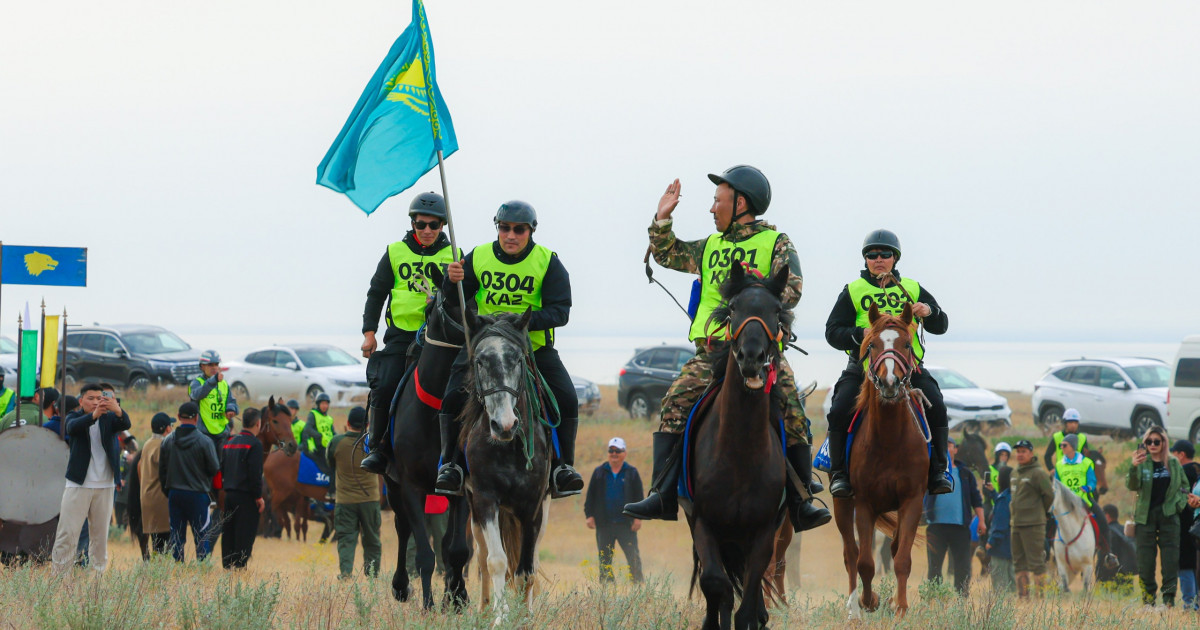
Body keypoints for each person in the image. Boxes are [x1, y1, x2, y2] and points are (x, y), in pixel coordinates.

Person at [623, 167, 829, 532]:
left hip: (761, 352)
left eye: (717, 200)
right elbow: (668, 255)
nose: (712, 208)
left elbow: (792, 289)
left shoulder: (776, 242)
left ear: (741, 203)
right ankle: (662, 493)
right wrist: (661, 219)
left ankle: (801, 499)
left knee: (793, 409)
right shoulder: (710, 245)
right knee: (674, 403)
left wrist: (751, 290)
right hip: (710, 352)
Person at [434, 200, 584, 499]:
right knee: (451, 395)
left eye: (519, 230)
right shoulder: (477, 256)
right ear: (498, 228)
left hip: (532, 350)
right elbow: (453, 299)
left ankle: (563, 467)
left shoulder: (548, 261)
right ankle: (450, 465)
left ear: (531, 231)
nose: (511, 235)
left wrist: (520, 322)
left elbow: (561, 312)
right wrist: (450, 282)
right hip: (485, 349)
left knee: (567, 398)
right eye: (505, 228)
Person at [822, 229, 952, 498]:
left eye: (885, 254)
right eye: (872, 255)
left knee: (937, 404)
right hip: (864, 369)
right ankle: (839, 474)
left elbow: (942, 326)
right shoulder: (854, 291)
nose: (878, 259)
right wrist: (861, 335)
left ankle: (939, 470)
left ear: (895, 259)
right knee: (839, 408)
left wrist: (930, 312)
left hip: (908, 368)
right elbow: (832, 331)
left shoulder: (914, 289)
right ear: (865, 260)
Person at [360, 192, 460, 475]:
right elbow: (376, 293)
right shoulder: (394, 252)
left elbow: (465, 298)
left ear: (442, 225)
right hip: (402, 336)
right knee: (385, 383)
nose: (427, 230)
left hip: (441, 339)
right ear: (412, 223)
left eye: (434, 225)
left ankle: (464, 450)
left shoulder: (454, 256)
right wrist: (370, 333)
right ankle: (378, 447)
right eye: (421, 224)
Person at [49, 383, 131, 573]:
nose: (95, 402)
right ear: (81, 401)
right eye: (90, 398)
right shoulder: (74, 417)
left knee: (100, 537)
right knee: (67, 534)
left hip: (106, 485)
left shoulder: (110, 419)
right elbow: (72, 428)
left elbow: (125, 423)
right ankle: (59, 580)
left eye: (99, 398)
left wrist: (117, 409)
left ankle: (96, 582)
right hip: (79, 484)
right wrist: (93, 416)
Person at [1126, 426, 1188, 607]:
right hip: (1145, 517)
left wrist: (1179, 505)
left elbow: (1184, 487)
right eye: (1148, 441)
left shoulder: (1173, 463)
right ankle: (1148, 601)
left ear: (1163, 443)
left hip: (1169, 515)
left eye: (1156, 441)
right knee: (1145, 561)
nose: (1152, 445)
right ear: (1144, 443)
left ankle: (1168, 601)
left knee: (1170, 560)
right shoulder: (1141, 462)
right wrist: (1133, 466)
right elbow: (1131, 485)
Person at [923, 437, 985, 595]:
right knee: (934, 567)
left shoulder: (965, 474)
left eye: (950, 446)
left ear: (955, 450)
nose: (947, 449)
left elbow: (976, 499)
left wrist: (981, 522)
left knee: (963, 566)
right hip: (936, 527)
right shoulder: (931, 471)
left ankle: (961, 599)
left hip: (960, 528)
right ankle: (935, 599)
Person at [160, 401, 220, 562]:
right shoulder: (205, 441)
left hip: (175, 493)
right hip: (198, 494)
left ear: (179, 417)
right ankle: (202, 569)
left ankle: (177, 567)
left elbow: (162, 471)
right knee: (202, 535)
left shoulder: (167, 441)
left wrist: (169, 491)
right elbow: (214, 468)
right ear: (197, 418)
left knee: (176, 535)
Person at [327, 406, 382, 578]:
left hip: (345, 501)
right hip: (370, 500)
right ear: (366, 424)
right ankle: (371, 575)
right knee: (372, 540)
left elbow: (330, 463)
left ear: (348, 423)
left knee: (346, 539)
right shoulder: (372, 442)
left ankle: (345, 574)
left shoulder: (336, 442)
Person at [584, 437, 645, 583]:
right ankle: (607, 591)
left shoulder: (632, 473)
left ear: (624, 453)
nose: (614, 453)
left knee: (633, 557)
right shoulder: (599, 472)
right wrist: (589, 515)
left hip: (626, 524)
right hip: (604, 524)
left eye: (617, 450)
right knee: (605, 560)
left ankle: (638, 588)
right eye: (611, 450)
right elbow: (590, 496)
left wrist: (638, 518)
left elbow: (640, 497)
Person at [1052, 433, 1116, 566]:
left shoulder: (1086, 463)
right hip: (1064, 502)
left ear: (1072, 447)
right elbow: (1056, 484)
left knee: (1102, 520)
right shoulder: (1059, 464)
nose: (1061, 447)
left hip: (1083, 500)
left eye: (1064, 445)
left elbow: (1093, 481)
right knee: (1047, 517)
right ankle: (1047, 550)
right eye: (1061, 445)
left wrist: (1088, 488)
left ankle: (1109, 554)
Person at [221, 408, 265, 569]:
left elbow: (223, 468)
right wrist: (258, 497)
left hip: (229, 495)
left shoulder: (230, 442)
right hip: (246, 497)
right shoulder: (255, 444)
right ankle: (240, 567)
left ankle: (227, 565)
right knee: (244, 534)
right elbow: (255, 475)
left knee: (229, 532)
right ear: (258, 423)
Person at [1010, 439, 1053, 598]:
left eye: (1023, 451)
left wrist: (1041, 513)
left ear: (1031, 453)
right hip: (1016, 524)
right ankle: (1023, 598)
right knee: (1018, 564)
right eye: (1018, 451)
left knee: (1036, 563)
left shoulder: (1039, 473)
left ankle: (1040, 599)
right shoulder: (1014, 473)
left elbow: (1049, 495)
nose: (1020, 454)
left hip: (1033, 525)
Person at [1169, 439, 1199, 609]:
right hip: (1197, 526)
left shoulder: (1182, 472)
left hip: (1184, 526)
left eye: (1174, 453)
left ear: (1181, 455)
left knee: (1185, 563)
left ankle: (1189, 604)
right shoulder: (1197, 471)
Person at [138, 412, 174, 558]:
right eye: (171, 426)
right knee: (164, 544)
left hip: (147, 498)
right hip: (160, 499)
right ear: (167, 429)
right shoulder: (162, 445)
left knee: (157, 542)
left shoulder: (147, 444)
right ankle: (161, 575)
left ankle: (155, 572)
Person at [189, 350, 236, 451]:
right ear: (202, 367)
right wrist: (213, 381)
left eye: (216, 364)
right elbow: (196, 395)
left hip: (222, 433)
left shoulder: (224, 384)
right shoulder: (196, 383)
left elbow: (231, 401)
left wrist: (231, 409)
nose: (214, 367)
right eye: (210, 365)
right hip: (204, 435)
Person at [985, 466, 1015, 594]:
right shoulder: (1010, 496)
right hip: (1012, 546)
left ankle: (1002, 609)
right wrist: (993, 493)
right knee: (1012, 581)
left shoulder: (1003, 499)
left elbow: (1000, 524)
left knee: (999, 583)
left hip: (1000, 547)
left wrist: (991, 541)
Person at [1098, 504, 1138, 586]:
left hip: (1110, 581)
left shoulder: (1107, 533)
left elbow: (1103, 557)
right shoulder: (1125, 530)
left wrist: (1099, 577)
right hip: (1127, 577)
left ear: (1107, 516)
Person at [1044, 408, 1088, 472]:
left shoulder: (1082, 438)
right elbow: (1047, 456)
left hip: (1077, 474)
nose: (1073, 425)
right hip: (1061, 473)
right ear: (1065, 423)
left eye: (1076, 422)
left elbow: (1086, 458)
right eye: (1070, 422)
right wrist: (1051, 469)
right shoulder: (1057, 437)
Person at [302, 393, 336, 477]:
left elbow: (333, 432)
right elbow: (308, 429)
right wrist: (319, 436)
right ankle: (331, 489)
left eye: (326, 404)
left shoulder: (329, 419)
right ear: (318, 404)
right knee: (331, 468)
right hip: (319, 447)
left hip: (330, 446)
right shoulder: (313, 414)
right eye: (322, 403)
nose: (325, 406)